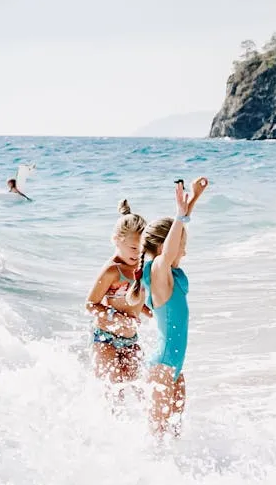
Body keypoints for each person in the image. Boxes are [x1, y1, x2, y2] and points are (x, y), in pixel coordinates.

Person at [127, 177, 208, 436]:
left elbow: (174, 242)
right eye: (181, 247)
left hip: (174, 369)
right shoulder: (159, 273)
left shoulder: (169, 275)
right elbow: (170, 251)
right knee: (157, 437)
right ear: (165, 248)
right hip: (162, 368)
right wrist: (179, 215)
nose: (184, 252)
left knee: (173, 436)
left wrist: (193, 200)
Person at [86, 200, 150, 385]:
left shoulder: (141, 266)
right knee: (114, 392)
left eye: (142, 249)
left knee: (140, 387)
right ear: (117, 240)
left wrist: (151, 312)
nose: (138, 254)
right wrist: (118, 318)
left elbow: (134, 300)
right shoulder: (112, 271)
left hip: (130, 338)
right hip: (105, 338)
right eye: (133, 248)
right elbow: (90, 304)